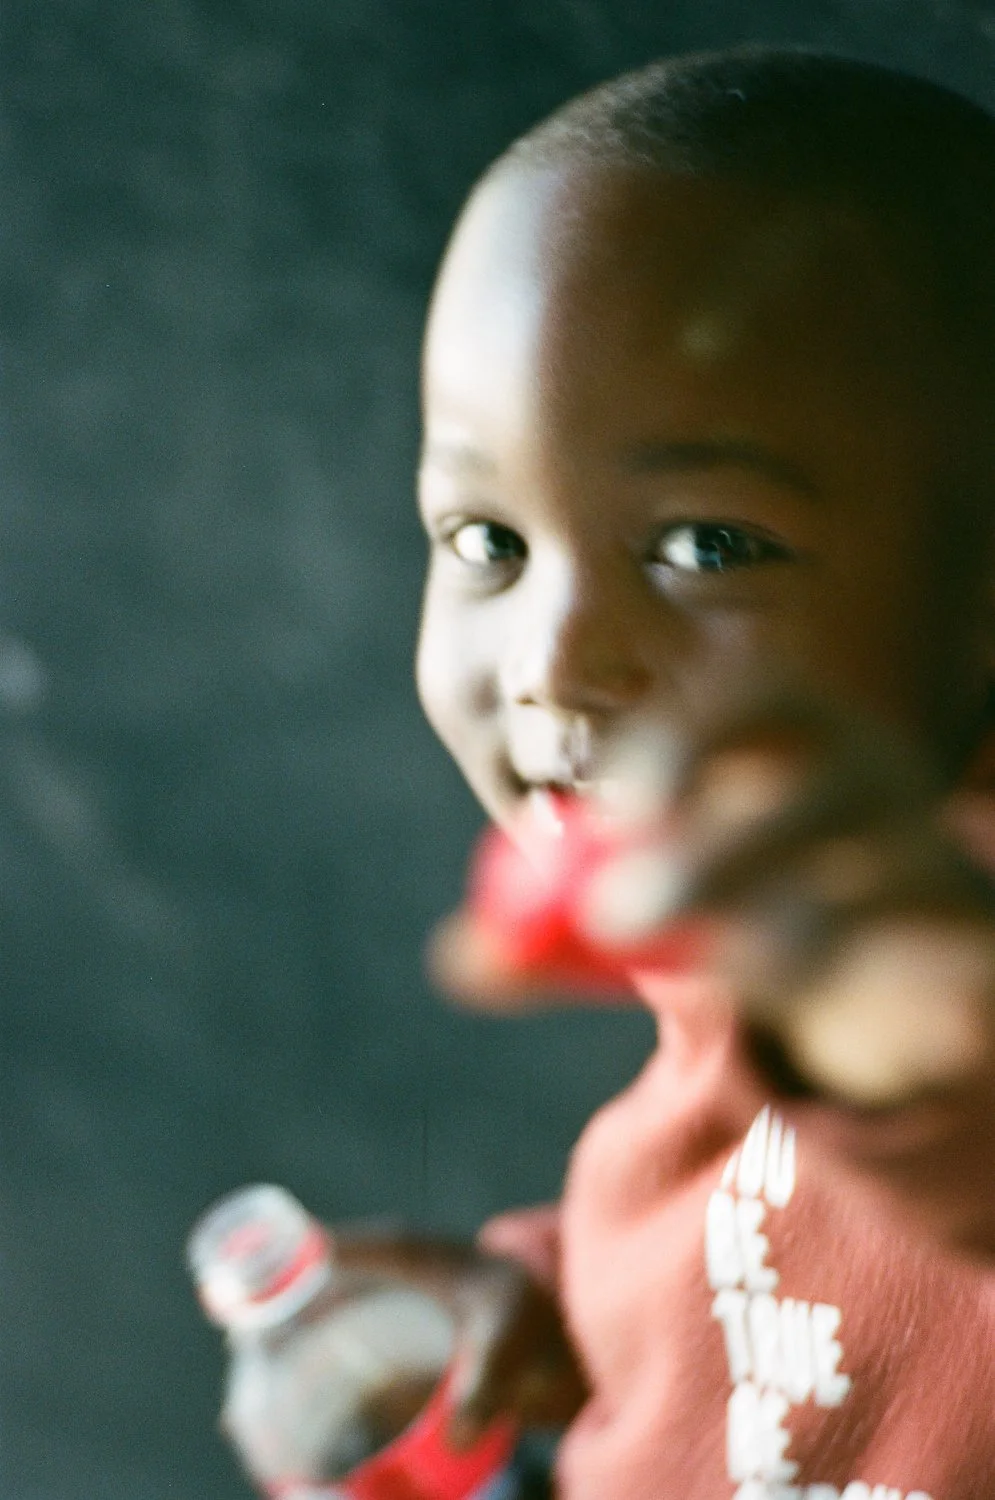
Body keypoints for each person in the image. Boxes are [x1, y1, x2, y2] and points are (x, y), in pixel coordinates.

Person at [343, 46, 995, 1500]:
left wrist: (913, 1020)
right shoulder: (727, 939)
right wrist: (551, 1296)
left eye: (707, 544)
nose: (555, 663)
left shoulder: (918, 944)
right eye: (485, 544)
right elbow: (764, 1211)